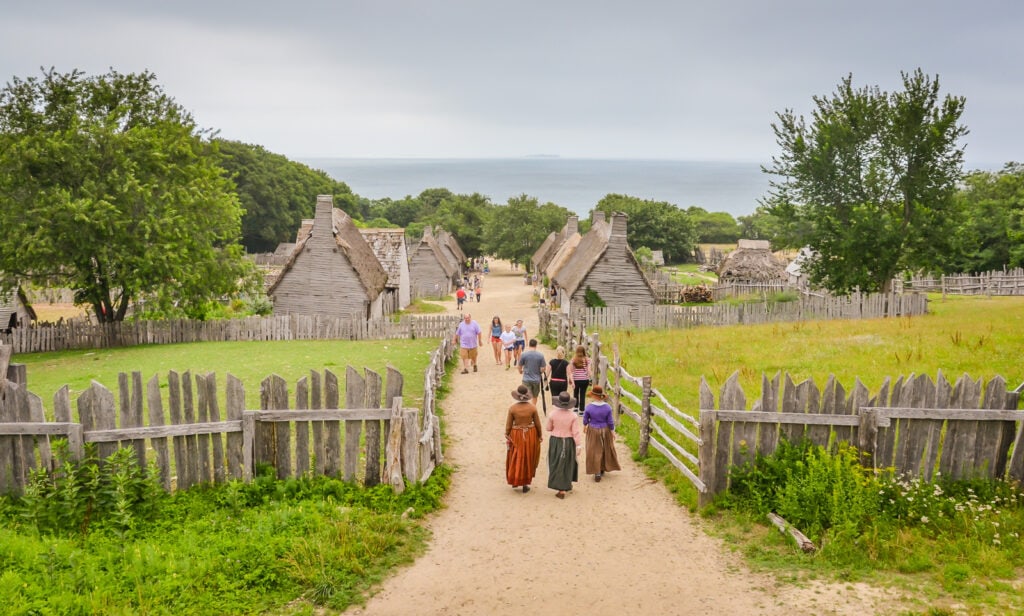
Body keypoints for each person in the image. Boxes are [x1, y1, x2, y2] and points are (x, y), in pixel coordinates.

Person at [505, 385, 543, 493]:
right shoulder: (532, 408)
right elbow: (537, 424)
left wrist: (507, 434)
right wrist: (539, 435)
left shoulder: (512, 408)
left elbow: (508, 425)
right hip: (530, 434)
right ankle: (525, 484)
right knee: (527, 457)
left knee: (516, 456)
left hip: (516, 434)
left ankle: (515, 480)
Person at [546, 391, 583, 499]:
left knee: (555, 462)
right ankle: (565, 485)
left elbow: (548, 428)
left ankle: (560, 489)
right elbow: (575, 432)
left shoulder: (552, 414)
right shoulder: (573, 416)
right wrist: (578, 445)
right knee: (567, 463)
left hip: (555, 440)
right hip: (568, 441)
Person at [582, 385, 621, 482]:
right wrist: (612, 431)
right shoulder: (607, 407)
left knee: (594, 450)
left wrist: (585, 425)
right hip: (605, 430)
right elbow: (610, 421)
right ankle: (603, 467)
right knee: (605, 449)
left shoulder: (589, 407)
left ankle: (597, 471)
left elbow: (585, 419)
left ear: (594, 396)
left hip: (593, 429)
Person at [517, 338, 547, 406]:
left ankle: (526, 409)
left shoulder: (524, 354)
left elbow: (519, 365)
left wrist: (520, 371)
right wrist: (540, 372)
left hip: (526, 379)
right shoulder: (540, 355)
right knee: (535, 396)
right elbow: (543, 368)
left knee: (525, 395)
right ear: (536, 345)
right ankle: (533, 408)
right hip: (536, 379)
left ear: (529, 345)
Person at [567, 344, 592, 415]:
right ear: (584, 351)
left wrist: (571, 379)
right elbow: (589, 371)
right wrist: (591, 378)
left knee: (575, 393)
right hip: (584, 380)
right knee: (582, 394)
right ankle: (581, 411)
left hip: (576, 379)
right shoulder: (588, 360)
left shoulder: (573, 360)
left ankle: (575, 408)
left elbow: (571, 371)